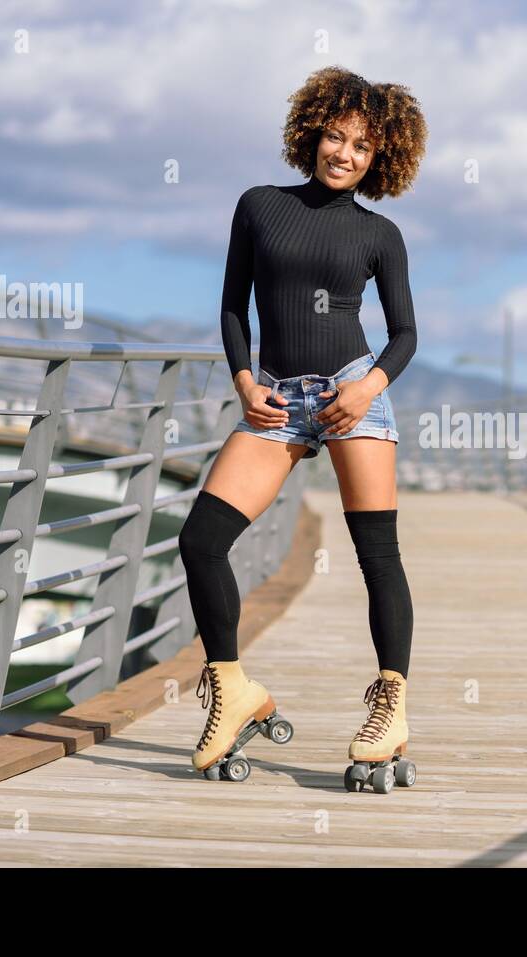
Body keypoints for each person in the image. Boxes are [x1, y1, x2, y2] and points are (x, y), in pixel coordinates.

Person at [177, 65, 427, 789]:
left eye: (361, 146)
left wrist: (370, 386)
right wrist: (245, 382)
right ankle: (233, 691)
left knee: (377, 554)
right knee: (201, 540)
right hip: (277, 398)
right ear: (312, 131)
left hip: (353, 390)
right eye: (335, 136)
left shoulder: (381, 234)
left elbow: (406, 333)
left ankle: (391, 704)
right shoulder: (259, 206)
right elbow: (232, 307)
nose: (343, 154)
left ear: (381, 158)